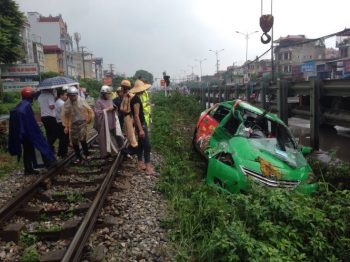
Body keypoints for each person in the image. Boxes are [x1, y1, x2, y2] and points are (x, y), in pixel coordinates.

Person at [8, 87, 56, 175]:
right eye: (33, 95)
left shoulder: (21, 105)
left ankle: (28, 169)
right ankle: (49, 163)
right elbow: (28, 121)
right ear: (31, 96)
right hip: (28, 132)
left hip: (23, 133)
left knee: (27, 150)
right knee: (41, 144)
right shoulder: (26, 106)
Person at [62, 86, 94, 164]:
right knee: (74, 142)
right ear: (68, 95)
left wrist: (89, 119)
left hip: (82, 122)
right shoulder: (67, 104)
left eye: (74, 95)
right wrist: (66, 126)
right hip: (73, 124)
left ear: (76, 94)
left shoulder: (82, 101)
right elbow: (64, 115)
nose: (73, 97)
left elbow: (89, 110)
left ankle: (86, 155)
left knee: (83, 139)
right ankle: (78, 157)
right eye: (71, 95)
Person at [130, 80, 155, 175]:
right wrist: (140, 129)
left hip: (140, 124)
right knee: (147, 146)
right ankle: (148, 168)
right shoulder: (136, 100)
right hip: (141, 125)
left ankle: (139, 165)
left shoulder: (136, 98)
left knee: (140, 145)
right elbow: (136, 115)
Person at [94, 85, 124, 159]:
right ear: (103, 94)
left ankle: (117, 150)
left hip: (112, 121)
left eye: (109, 94)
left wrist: (113, 108)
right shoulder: (98, 101)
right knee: (105, 138)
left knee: (115, 136)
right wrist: (107, 110)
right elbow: (98, 113)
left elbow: (114, 107)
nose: (109, 95)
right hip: (104, 124)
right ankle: (107, 153)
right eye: (108, 94)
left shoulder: (110, 100)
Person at [55, 88, 69, 158]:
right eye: (65, 95)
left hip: (58, 122)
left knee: (61, 138)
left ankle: (60, 152)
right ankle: (64, 153)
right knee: (64, 139)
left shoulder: (57, 102)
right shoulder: (62, 103)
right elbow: (66, 113)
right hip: (63, 123)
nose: (66, 96)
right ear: (61, 95)